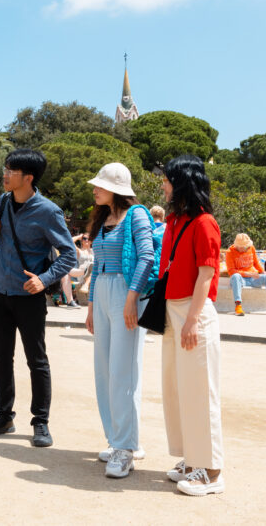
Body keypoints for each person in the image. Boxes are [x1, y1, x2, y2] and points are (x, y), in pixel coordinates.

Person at [0, 149, 77, 448]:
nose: (5, 174)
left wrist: (44, 280)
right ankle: (4, 416)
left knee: (37, 360)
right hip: (0, 290)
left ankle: (41, 422)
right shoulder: (5, 201)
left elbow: (69, 254)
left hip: (28, 295)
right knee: (1, 358)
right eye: (5, 168)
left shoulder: (49, 211)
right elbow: (5, 239)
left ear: (29, 177)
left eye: (11, 170)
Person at [158, 155, 225, 496]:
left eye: (167, 179)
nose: (163, 184)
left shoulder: (204, 223)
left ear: (181, 181)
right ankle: (192, 458)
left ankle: (211, 471)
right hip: (174, 309)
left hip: (193, 310)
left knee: (200, 390)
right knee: (177, 389)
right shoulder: (175, 221)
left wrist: (193, 320)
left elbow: (207, 275)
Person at [84, 162, 154, 479]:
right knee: (104, 371)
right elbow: (98, 264)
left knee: (123, 372)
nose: (94, 188)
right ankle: (118, 440)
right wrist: (90, 306)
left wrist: (131, 298)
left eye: (99, 185)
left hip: (127, 292)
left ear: (115, 188)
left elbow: (147, 256)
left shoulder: (136, 214)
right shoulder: (102, 219)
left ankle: (126, 448)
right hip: (103, 294)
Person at [225, 233, 266, 316]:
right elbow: (231, 271)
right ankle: (238, 306)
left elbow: (256, 263)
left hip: (252, 278)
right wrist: (249, 274)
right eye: (241, 247)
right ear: (236, 245)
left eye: (245, 247)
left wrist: (263, 273)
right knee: (236, 276)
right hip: (240, 280)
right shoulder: (230, 252)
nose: (244, 249)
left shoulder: (251, 248)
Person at [61, 234, 93, 307]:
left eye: (89, 238)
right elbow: (69, 241)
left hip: (93, 274)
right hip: (82, 273)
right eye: (84, 238)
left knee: (92, 266)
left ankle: (86, 284)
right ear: (81, 241)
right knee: (64, 272)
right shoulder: (79, 251)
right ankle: (70, 301)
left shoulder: (94, 251)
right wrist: (79, 236)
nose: (87, 240)